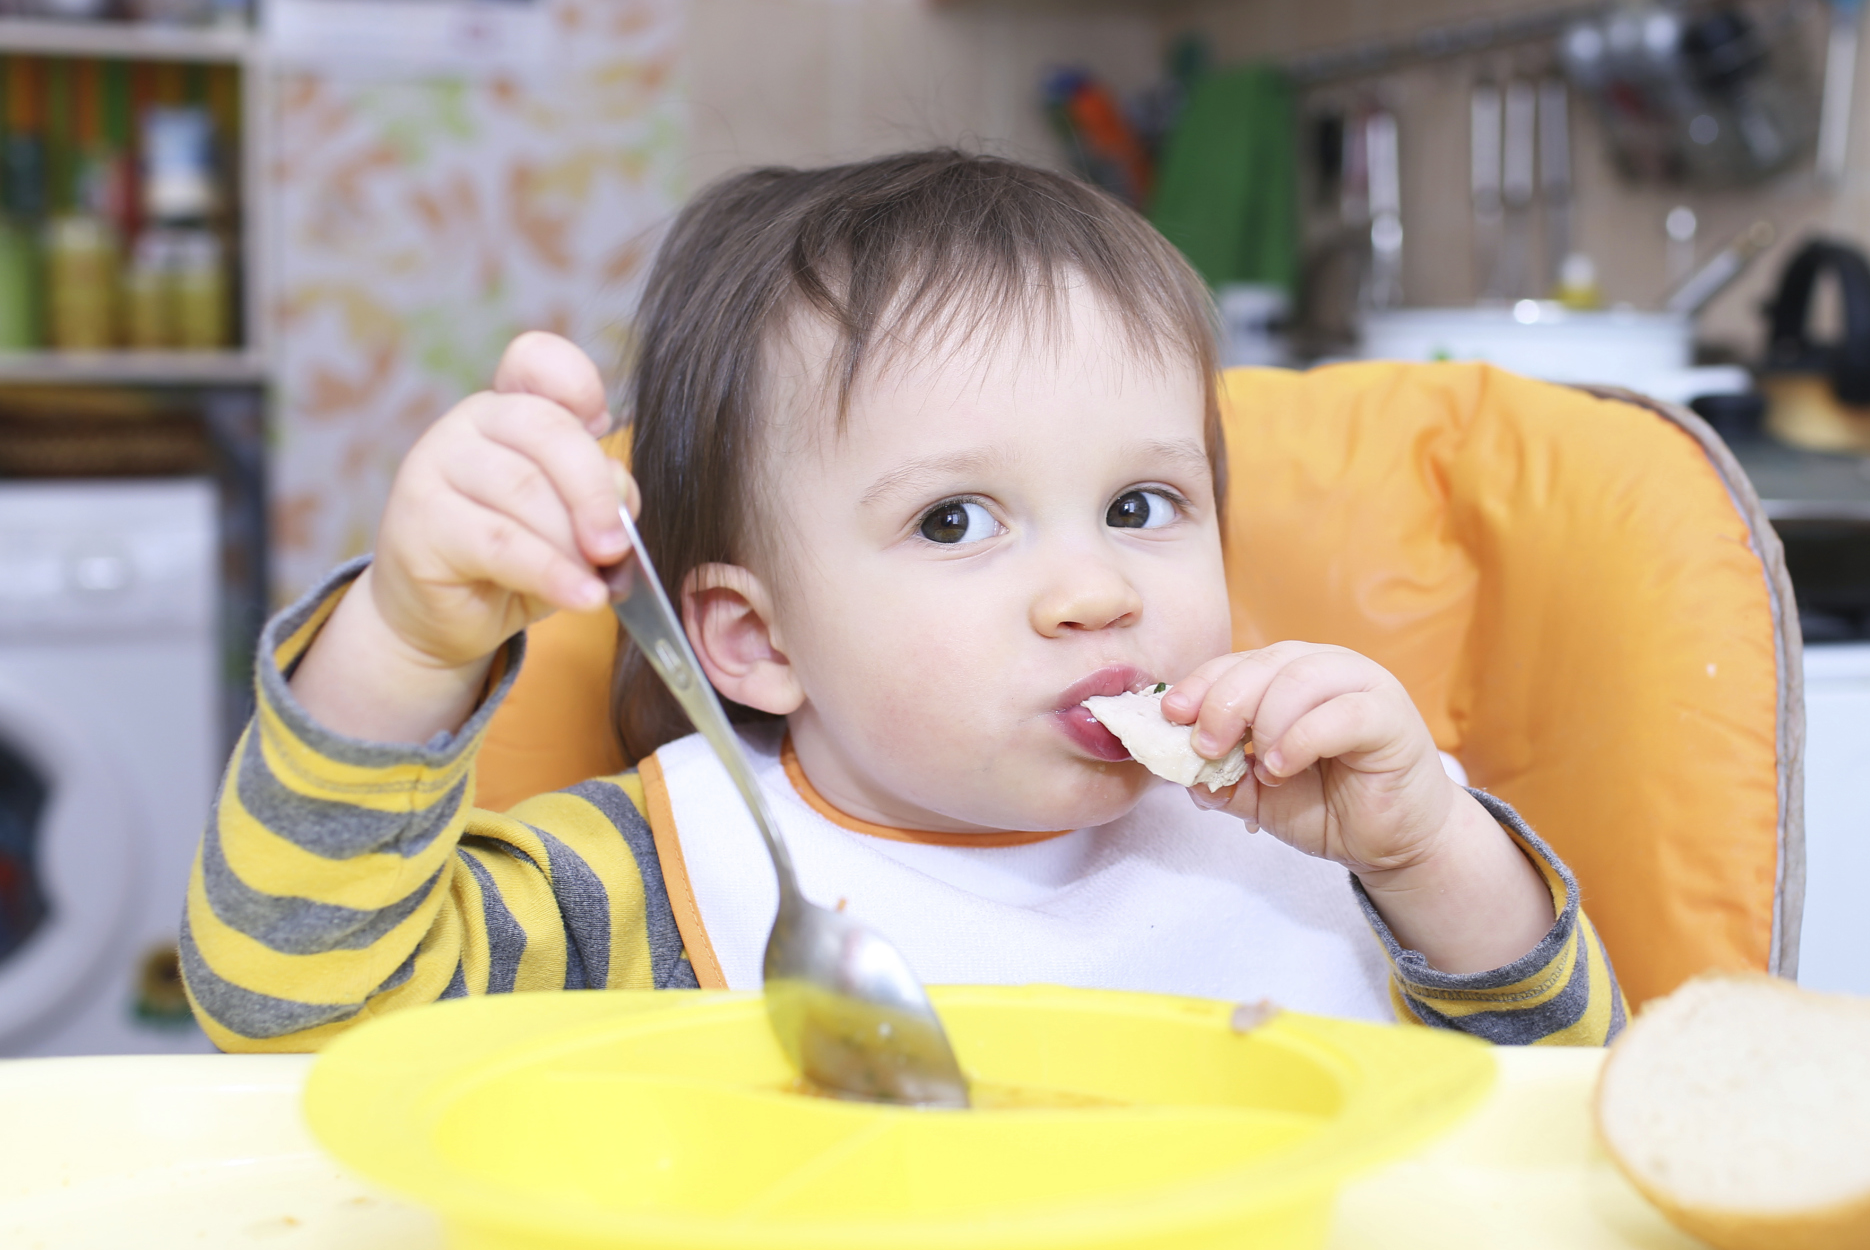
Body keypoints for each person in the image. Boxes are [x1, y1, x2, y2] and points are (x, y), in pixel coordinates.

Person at [182, 150, 1625, 1052]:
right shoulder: (668, 880)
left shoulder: (1313, 835)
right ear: (755, 640)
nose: (1094, 589)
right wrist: (408, 638)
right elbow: (294, 1004)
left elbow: (1562, 1102)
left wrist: (1431, 848)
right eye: (956, 519)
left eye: (1142, 505)